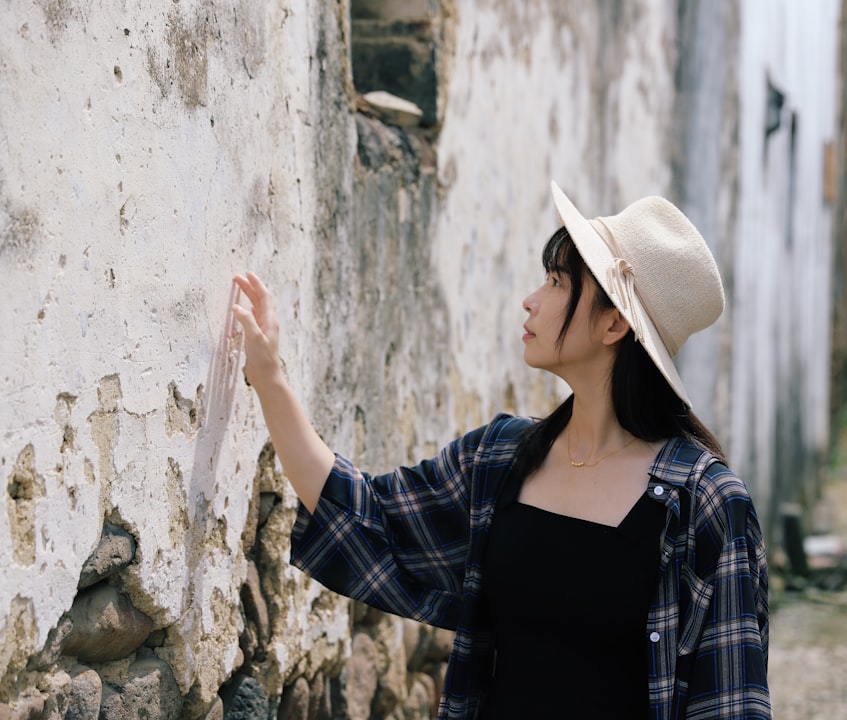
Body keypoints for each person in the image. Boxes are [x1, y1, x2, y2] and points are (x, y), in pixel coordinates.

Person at [231, 181, 771, 720]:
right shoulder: (500, 460)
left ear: (613, 323)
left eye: (558, 282)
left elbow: (730, 706)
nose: (532, 299)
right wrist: (269, 376)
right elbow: (365, 519)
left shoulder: (705, 505)